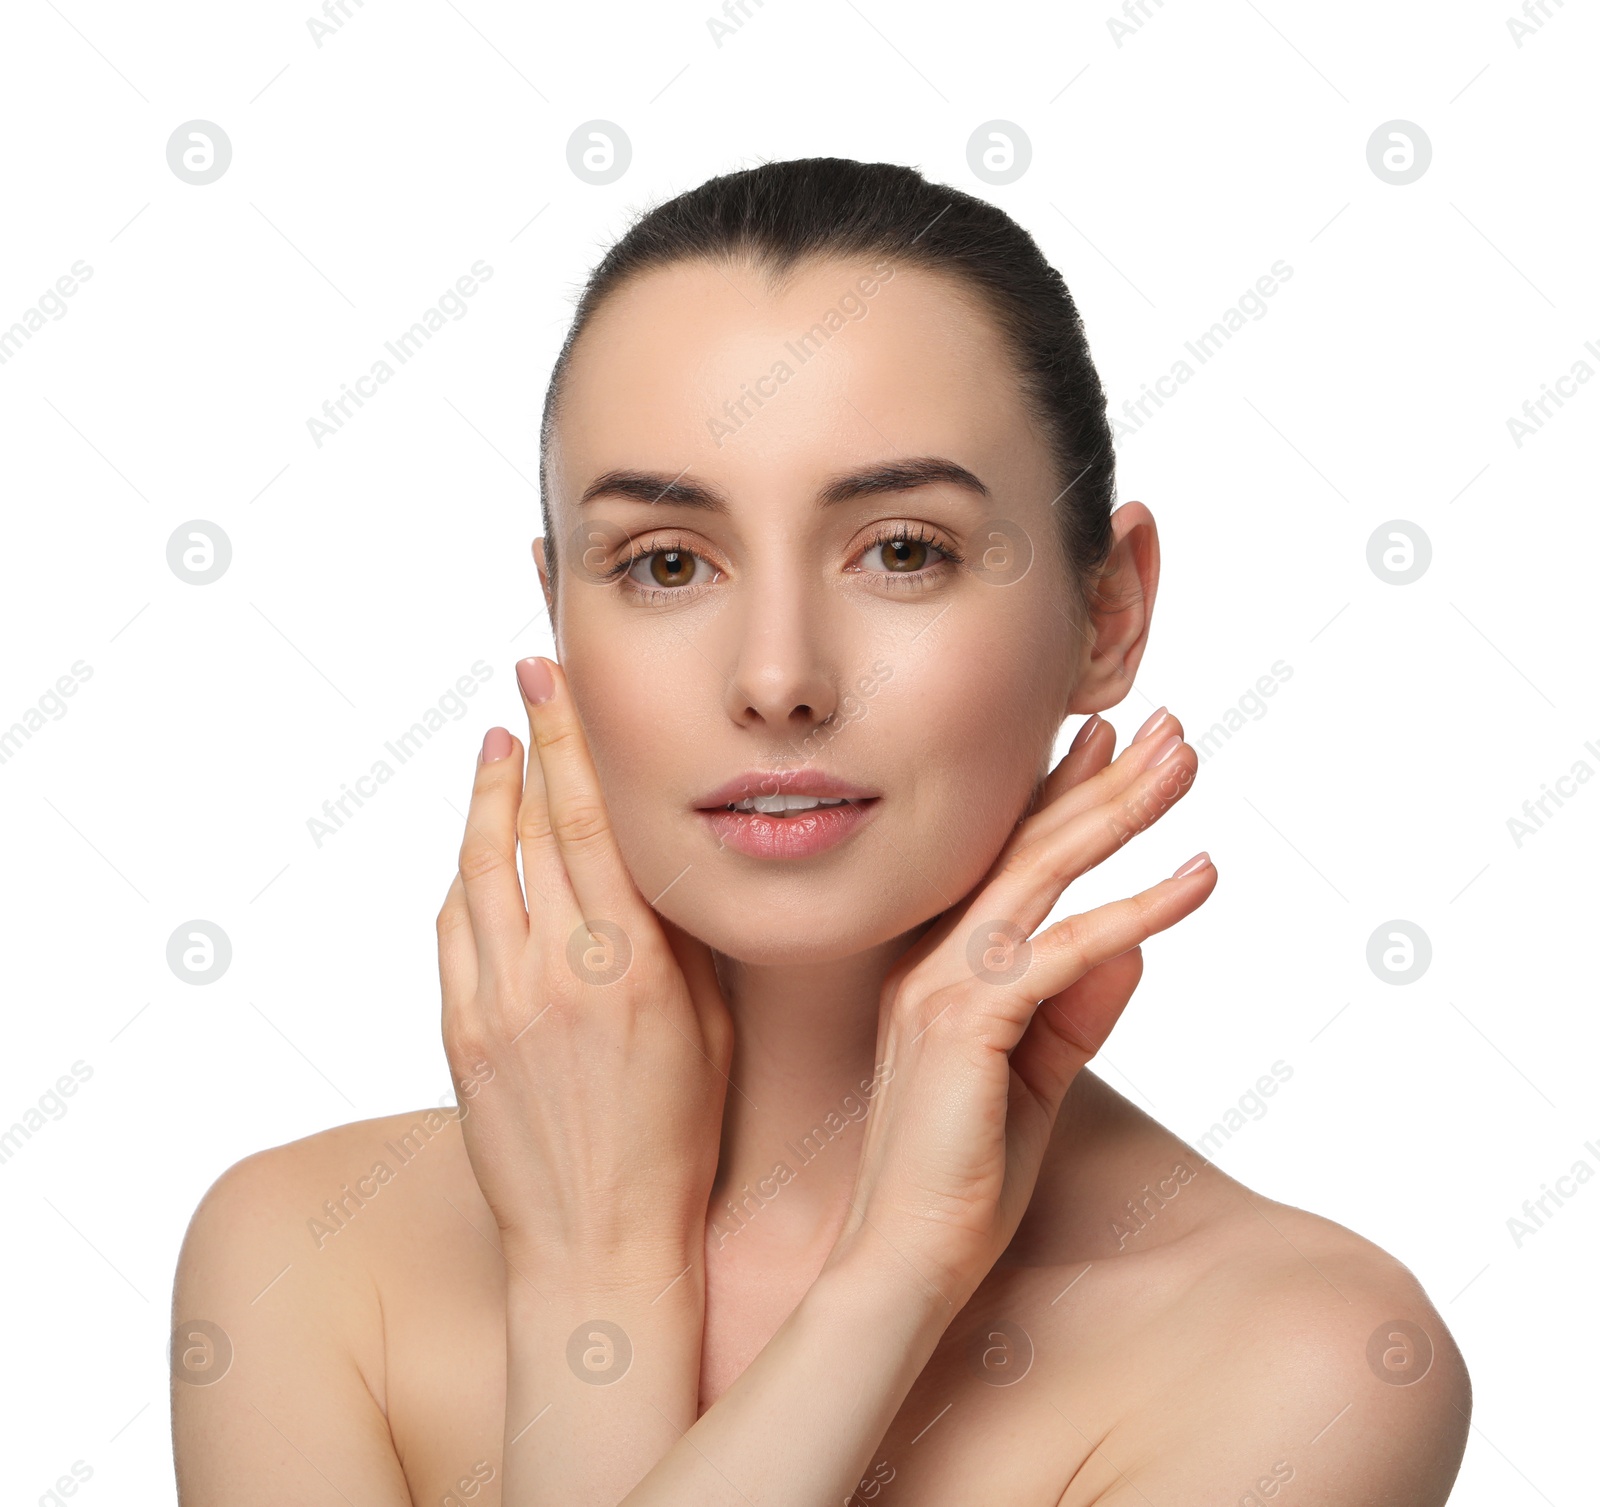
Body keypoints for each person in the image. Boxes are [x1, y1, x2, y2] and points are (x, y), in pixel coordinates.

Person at [172, 157, 1470, 1506]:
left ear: (1108, 614)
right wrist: (594, 1280)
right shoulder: (301, 1260)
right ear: (560, 610)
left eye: (903, 550)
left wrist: (896, 1269)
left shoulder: (1308, 1365)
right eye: (667, 562)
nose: (777, 675)